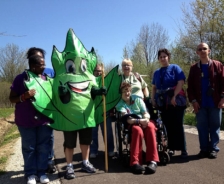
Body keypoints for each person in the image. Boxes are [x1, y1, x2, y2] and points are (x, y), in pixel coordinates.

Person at [9, 55, 52, 184]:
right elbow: (11, 99)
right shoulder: (20, 78)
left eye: (44, 64)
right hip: (26, 120)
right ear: (33, 66)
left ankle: (42, 172)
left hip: (44, 119)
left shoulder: (46, 78)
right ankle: (30, 174)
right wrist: (24, 96)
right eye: (41, 65)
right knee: (29, 148)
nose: (44, 67)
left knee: (44, 147)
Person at [187, 43, 224, 159]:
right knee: (202, 127)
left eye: (204, 49)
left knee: (215, 126)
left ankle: (213, 149)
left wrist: (223, 99)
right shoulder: (194, 68)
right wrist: (193, 101)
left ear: (209, 51)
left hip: (215, 102)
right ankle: (203, 149)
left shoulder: (217, 65)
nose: (202, 51)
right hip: (200, 103)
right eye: (200, 49)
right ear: (197, 52)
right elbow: (190, 87)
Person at [151, 48, 188, 158]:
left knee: (178, 125)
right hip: (162, 102)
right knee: (167, 126)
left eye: (164, 56)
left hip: (175, 101)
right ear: (158, 59)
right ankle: (171, 148)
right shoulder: (157, 73)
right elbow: (154, 88)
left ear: (168, 57)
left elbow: (180, 82)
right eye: (161, 57)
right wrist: (153, 99)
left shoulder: (175, 68)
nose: (163, 58)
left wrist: (174, 96)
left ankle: (183, 149)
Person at [116, 82, 159, 174]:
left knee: (151, 127)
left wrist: (146, 119)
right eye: (124, 91)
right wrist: (140, 121)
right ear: (121, 93)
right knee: (137, 130)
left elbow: (145, 112)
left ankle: (152, 161)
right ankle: (135, 162)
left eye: (128, 91)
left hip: (143, 120)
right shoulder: (120, 104)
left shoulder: (137, 99)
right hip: (132, 123)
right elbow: (128, 119)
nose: (127, 93)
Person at [26, 47, 56, 173]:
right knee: (32, 145)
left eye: (41, 58)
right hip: (31, 116)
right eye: (36, 58)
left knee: (48, 140)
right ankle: (33, 170)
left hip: (48, 114)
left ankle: (48, 162)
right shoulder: (26, 76)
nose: (41, 63)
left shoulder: (49, 72)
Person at [90, 63, 115, 158]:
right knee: (93, 133)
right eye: (96, 71)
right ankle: (93, 150)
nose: (98, 73)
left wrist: (111, 109)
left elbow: (111, 95)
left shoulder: (106, 81)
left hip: (105, 110)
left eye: (100, 71)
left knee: (108, 132)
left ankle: (110, 150)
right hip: (93, 111)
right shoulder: (90, 80)